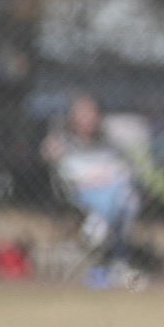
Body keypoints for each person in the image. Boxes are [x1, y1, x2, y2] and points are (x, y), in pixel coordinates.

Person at [41, 94, 139, 281]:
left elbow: (123, 170)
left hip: (111, 193)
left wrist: (103, 178)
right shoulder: (63, 142)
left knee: (125, 198)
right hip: (79, 194)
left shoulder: (108, 142)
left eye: (91, 113)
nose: (88, 118)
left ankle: (100, 227)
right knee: (118, 200)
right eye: (82, 113)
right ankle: (114, 257)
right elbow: (63, 173)